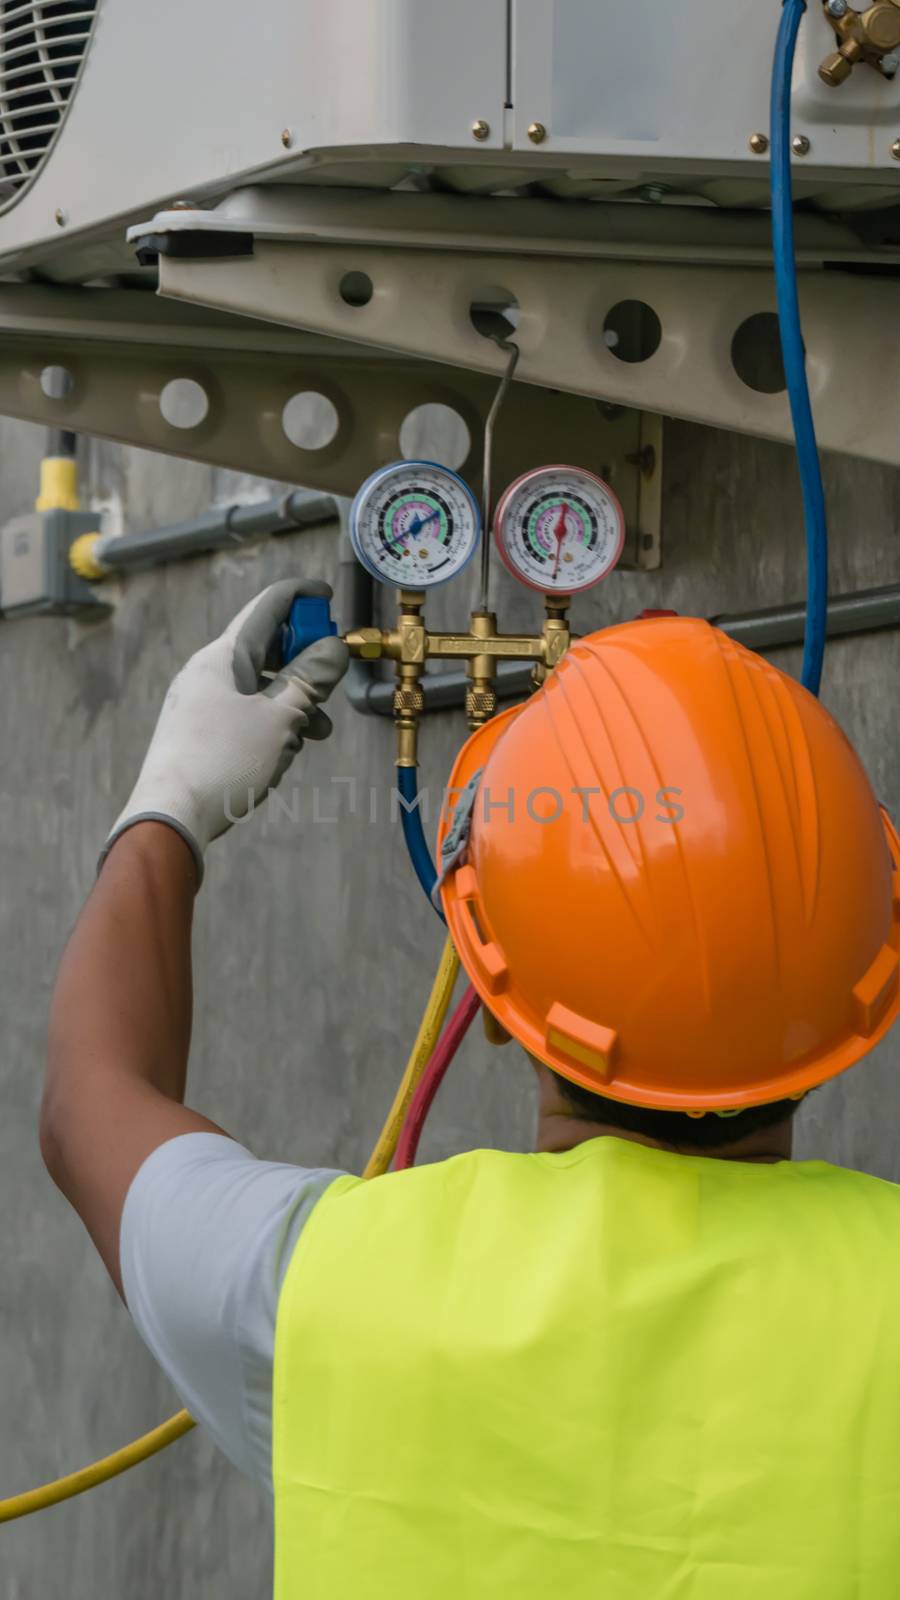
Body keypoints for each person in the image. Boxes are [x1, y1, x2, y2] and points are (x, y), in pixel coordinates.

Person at [41, 578, 900, 1599]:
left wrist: (170, 807)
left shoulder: (316, 1291)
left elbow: (90, 1099)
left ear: (492, 997)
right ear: (869, 985)